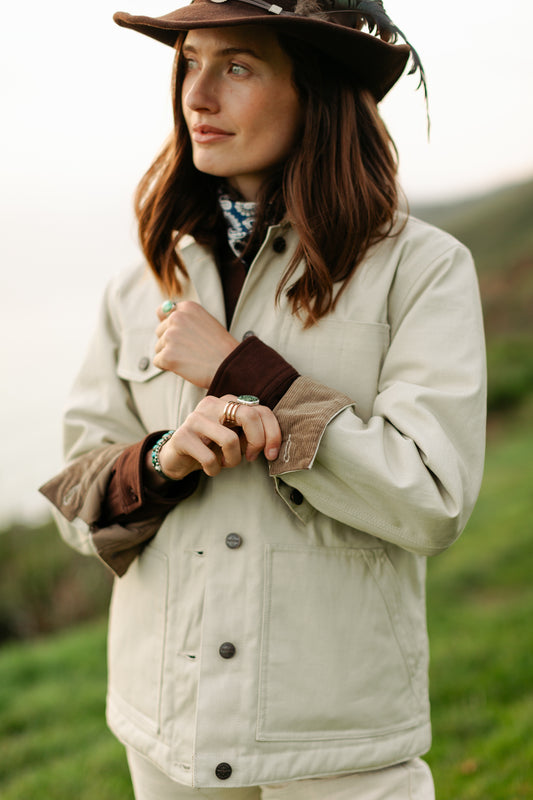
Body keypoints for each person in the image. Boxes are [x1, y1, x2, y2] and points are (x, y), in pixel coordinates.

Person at [40, 0, 486, 797]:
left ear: (315, 88)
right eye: (189, 63)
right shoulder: (138, 285)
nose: (197, 96)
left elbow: (433, 498)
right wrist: (161, 460)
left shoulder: (421, 270)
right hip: (164, 736)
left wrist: (251, 375)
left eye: (235, 66)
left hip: (338, 745)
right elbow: (75, 502)